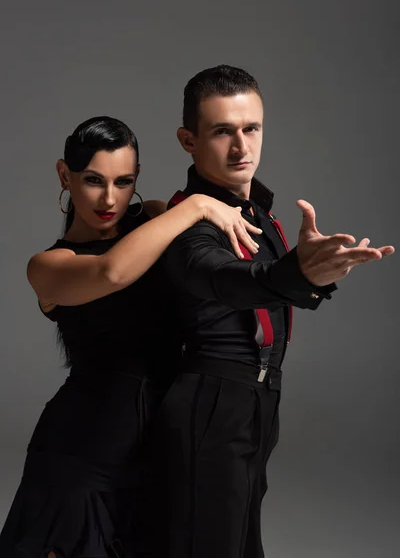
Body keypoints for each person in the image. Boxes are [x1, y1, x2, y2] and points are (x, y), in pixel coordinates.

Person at [154, 65, 395, 558]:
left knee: (243, 543)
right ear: (188, 139)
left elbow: (274, 290)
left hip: (257, 398)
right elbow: (231, 282)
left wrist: (315, 278)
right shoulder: (188, 223)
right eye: (223, 131)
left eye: (251, 128)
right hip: (210, 401)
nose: (242, 147)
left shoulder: (258, 212)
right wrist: (299, 275)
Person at [0, 115, 263, 558]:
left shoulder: (158, 217)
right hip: (81, 458)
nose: (109, 198)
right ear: (65, 176)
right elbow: (113, 271)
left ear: (136, 177)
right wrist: (196, 206)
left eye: (123, 181)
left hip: (159, 453)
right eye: (93, 180)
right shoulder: (48, 266)